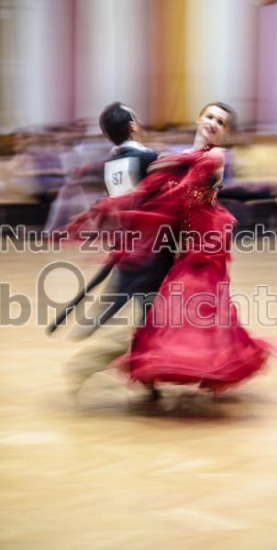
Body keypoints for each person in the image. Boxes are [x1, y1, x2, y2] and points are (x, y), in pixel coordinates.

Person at [64, 102, 271, 397]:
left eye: (221, 122)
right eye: (210, 116)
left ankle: (161, 369)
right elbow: (154, 192)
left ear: (225, 132)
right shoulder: (177, 156)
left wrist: (156, 167)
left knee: (186, 311)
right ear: (199, 119)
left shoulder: (213, 155)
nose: (213, 123)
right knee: (168, 314)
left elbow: (177, 187)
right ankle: (146, 371)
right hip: (170, 248)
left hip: (203, 247)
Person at [59, 102, 175, 396]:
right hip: (153, 251)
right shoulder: (149, 157)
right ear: (133, 125)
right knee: (153, 317)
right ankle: (91, 362)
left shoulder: (110, 164)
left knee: (146, 315)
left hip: (127, 251)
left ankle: (147, 379)